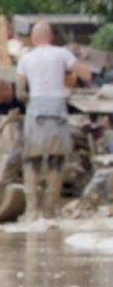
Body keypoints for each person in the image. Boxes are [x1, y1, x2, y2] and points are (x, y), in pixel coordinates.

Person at [17, 22, 91, 221]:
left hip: (36, 111)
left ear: (34, 37)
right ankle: (50, 211)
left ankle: (32, 212)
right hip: (57, 109)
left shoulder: (25, 58)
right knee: (56, 160)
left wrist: (31, 99)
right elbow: (87, 74)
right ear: (50, 36)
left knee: (31, 160)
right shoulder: (62, 53)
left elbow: (20, 92)